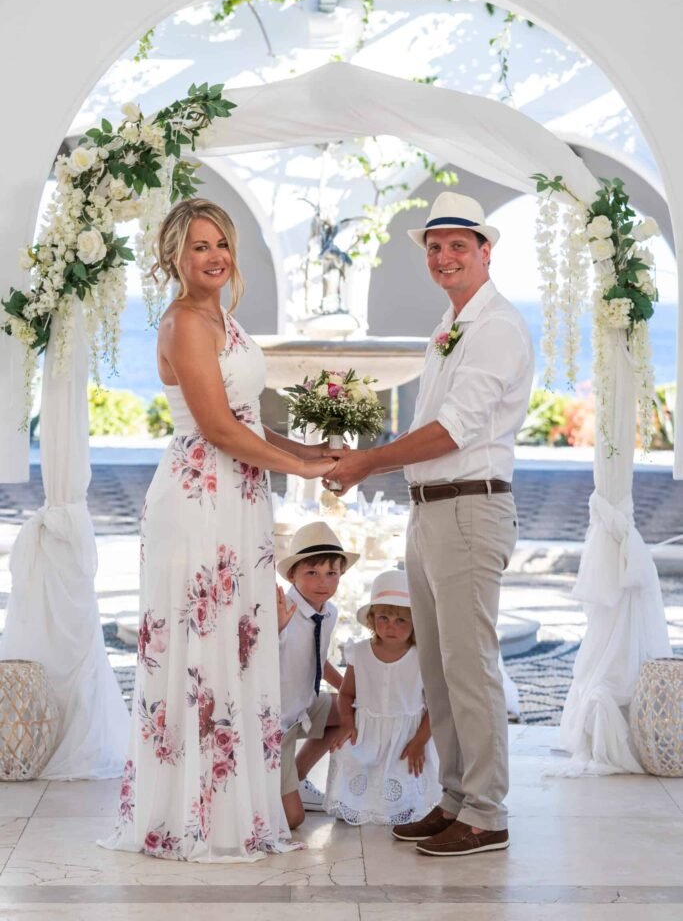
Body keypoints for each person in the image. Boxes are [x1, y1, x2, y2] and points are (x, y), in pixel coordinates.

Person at [100, 198, 333, 863]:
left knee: (236, 640)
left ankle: (235, 812)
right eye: (199, 246)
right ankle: (189, 818)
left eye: (221, 244)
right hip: (199, 501)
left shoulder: (222, 318)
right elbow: (219, 430)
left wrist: (312, 452)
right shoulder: (181, 322)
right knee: (200, 648)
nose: (214, 256)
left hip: (240, 497)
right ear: (174, 256)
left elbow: (248, 419)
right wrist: (299, 470)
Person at [325, 191, 534, 857]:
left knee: (470, 668)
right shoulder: (450, 325)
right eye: (435, 247)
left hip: (470, 506)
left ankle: (487, 812)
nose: (444, 257)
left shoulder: (496, 327)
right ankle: (454, 800)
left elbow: (450, 431)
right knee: (439, 670)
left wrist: (366, 462)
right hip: (432, 509)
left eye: (458, 246)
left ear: (485, 252)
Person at [324, 569, 440, 826]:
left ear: (415, 622)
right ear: (371, 618)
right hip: (367, 732)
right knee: (346, 752)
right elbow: (346, 694)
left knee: (406, 769)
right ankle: (355, 805)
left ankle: (402, 807)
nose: (390, 626)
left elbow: (436, 706)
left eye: (401, 620)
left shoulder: (422, 657)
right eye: (383, 618)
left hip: (407, 736)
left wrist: (420, 740)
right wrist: (347, 723)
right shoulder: (360, 653)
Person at [275, 521, 359, 829]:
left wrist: (351, 691)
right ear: (291, 575)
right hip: (277, 723)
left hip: (305, 707)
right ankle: (276, 783)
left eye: (331, 573)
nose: (323, 582)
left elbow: (318, 658)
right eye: (312, 572)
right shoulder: (280, 610)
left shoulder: (329, 612)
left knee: (354, 708)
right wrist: (276, 629)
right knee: (293, 820)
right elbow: (257, 660)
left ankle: (296, 777)